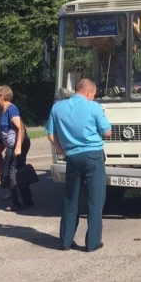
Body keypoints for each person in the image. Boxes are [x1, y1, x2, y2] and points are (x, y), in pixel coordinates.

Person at [46, 78, 112, 252]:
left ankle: (66, 241)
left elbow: (50, 136)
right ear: (89, 92)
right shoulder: (94, 107)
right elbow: (107, 132)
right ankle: (92, 243)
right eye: (93, 94)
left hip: (72, 157)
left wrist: (63, 151)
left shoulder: (57, 107)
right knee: (95, 200)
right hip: (93, 156)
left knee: (70, 199)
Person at [0, 85, 34, 211]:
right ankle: (26, 201)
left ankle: (20, 203)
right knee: (13, 172)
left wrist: (17, 148)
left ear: (1, 97)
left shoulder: (12, 109)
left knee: (11, 174)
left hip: (18, 145)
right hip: (13, 146)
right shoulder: (4, 110)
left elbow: (20, 127)